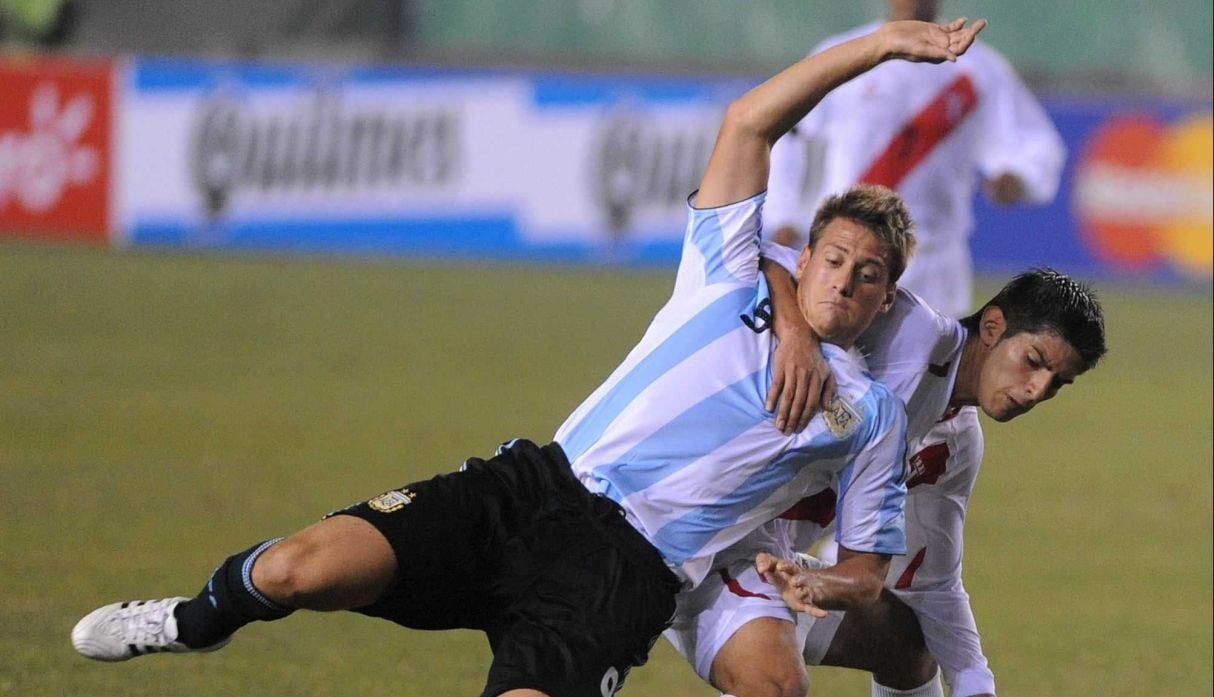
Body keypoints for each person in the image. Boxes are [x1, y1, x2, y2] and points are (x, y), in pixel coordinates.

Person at [70, 18, 987, 697]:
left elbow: (868, 565)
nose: (846, 283)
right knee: (301, 568)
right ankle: (190, 621)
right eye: (833, 260)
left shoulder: (867, 415)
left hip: (624, 572)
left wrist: (814, 581)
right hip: (532, 488)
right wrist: (878, 47)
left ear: (885, 298)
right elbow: (749, 123)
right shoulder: (733, 272)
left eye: (869, 278)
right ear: (806, 252)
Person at [664, 266, 1107, 697]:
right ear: (992, 327)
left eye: (1057, 384)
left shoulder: (956, 442)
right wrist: (797, 336)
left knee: (906, 646)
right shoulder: (903, 331)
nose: (1036, 390)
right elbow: (785, 263)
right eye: (1034, 362)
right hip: (696, 534)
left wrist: (974, 679)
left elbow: (931, 583)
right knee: (774, 682)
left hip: (767, 559)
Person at [765, 0, 1065, 318]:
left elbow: (1039, 144)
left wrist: (1019, 178)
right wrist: (783, 216)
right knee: (833, 360)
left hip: (934, 262)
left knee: (927, 366)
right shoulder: (846, 53)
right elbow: (788, 135)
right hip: (847, 253)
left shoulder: (978, 68)